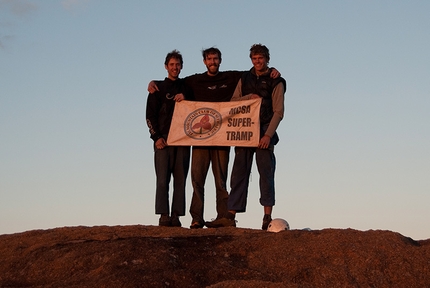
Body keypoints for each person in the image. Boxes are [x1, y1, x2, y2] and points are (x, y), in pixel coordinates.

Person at [148, 47, 280, 229]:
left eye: (215, 59)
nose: (212, 62)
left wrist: (274, 71)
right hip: (199, 139)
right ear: (204, 61)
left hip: (222, 139)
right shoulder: (194, 80)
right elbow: (174, 81)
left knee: (222, 180)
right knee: (197, 179)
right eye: (209, 59)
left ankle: (224, 216)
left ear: (220, 60)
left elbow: (256, 73)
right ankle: (196, 218)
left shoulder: (232, 77)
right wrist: (153, 81)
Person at [205, 44, 286, 230]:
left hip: (264, 130)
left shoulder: (277, 81)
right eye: (254, 58)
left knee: (266, 173)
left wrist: (268, 135)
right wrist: (248, 96)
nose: (258, 62)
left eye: (261, 58)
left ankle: (267, 217)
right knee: (239, 173)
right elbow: (233, 101)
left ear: (267, 59)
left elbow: (279, 111)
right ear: (251, 59)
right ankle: (230, 215)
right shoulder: (245, 78)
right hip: (245, 130)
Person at [145, 50, 191, 227]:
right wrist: (156, 137)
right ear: (166, 67)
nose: (175, 67)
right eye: (171, 64)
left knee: (180, 179)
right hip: (163, 140)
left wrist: (186, 97)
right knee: (162, 179)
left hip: (183, 140)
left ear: (181, 66)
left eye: (178, 64)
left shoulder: (187, 86)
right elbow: (150, 116)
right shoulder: (157, 88)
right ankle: (163, 214)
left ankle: (176, 214)